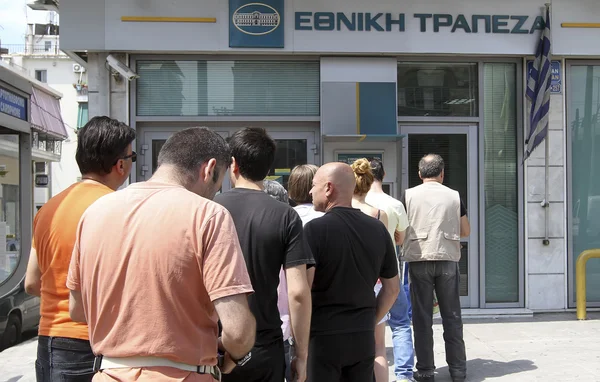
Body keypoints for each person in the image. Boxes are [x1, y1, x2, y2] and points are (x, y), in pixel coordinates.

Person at [66, 127, 256, 381]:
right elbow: (238, 331)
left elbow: (77, 309)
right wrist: (234, 357)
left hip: (109, 372)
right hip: (187, 374)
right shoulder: (208, 215)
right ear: (209, 169)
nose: (215, 191)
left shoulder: (95, 212)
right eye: (218, 182)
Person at [24, 116, 136, 381]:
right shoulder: (121, 209)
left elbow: (31, 283)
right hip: (103, 340)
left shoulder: (50, 209)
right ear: (120, 165)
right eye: (131, 158)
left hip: (52, 341)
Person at [214, 127, 313, 382]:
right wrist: (301, 355)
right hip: (265, 345)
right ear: (268, 169)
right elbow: (298, 293)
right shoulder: (285, 215)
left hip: (217, 345)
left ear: (233, 164)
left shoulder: (210, 210)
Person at [304, 162, 400, 382]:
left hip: (324, 337)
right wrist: (369, 319)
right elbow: (392, 289)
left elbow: (303, 291)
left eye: (314, 185)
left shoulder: (314, 231)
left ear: (328, 188)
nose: (310, 191)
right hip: (363, 336)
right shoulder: (378, 229)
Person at [402, 154, 470, 382]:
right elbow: (466, 230)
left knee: (422, 318)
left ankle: (425, 370)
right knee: (452, 317)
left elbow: (401, 231)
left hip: (419, 257)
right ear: (442, 173)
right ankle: (458, 371)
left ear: (420, 174)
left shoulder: (408, 195)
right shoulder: (454, 195)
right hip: (448, 257)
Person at [365, 157, 415, 382]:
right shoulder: (394, 204)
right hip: (390, 272)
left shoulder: (357, 201)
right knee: (401, 323)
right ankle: (404, 375)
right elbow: (400, 239)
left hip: (366, 276)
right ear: (383, 176)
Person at [350, 158, 390, 382]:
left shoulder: (337, 212)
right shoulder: (378, 214)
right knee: (379, 348)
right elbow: (385, 254)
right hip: (374, 285)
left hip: (347, 287)